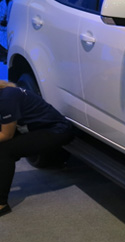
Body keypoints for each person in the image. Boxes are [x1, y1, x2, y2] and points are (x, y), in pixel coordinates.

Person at [0, 80, 74, 217]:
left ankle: (1, 204)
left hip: (57, 130)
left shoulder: (6, 98)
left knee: (4, 150)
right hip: (34, 128)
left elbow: (6, 134)